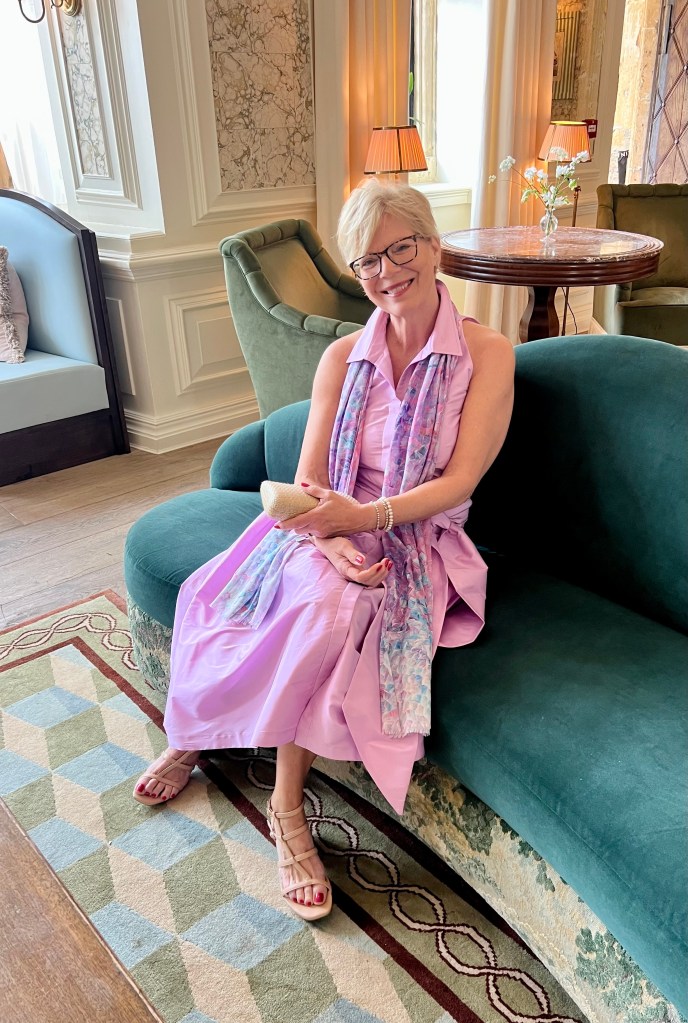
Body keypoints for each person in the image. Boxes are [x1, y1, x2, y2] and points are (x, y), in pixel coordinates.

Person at [132, 180, 515, 922]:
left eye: (401, 248)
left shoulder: (487, 353)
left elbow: (460, 480)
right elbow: (310, 480)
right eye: (368, 260)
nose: (387, 271)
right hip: (327, 522)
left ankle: (283, 808)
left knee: (333, 612)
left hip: (417, 532)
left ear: (434, 245)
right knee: (263, 594)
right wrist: (333, 537)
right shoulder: (342, 356)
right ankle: (197, 735)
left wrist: (366, 517)